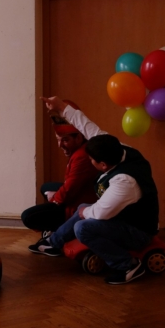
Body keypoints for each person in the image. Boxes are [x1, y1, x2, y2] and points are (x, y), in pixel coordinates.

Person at [30, 96, 159, 285]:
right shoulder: (118, 148)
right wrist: (61, 107)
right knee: (83, 207)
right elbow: (87, 126)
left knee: (82, 227)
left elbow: (99, 213)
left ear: (103, 165)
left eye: (91, 160)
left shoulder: (125, 181)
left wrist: (84, 212)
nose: (89, 161)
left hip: (137, 232)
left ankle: (128, 265)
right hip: (122, 217)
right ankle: (54, 243)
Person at [21, 100, 100, 253]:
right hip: (78, 193)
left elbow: (69, 190)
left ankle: (60, 232)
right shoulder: (80, 150)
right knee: (46, 187)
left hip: (79, 205)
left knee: (28, 217)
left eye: (65, 140)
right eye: (58, 139)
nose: (60, 145)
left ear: (79, 137)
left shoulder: (82, 156)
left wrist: (54, 199)